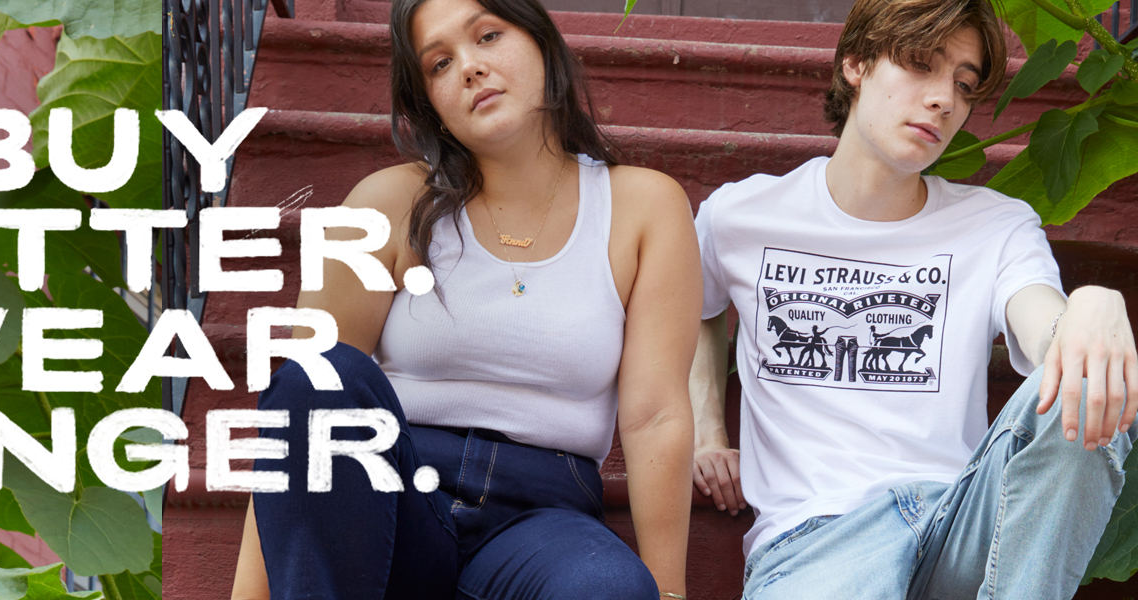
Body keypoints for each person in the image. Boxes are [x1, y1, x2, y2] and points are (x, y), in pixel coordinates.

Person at [229, 0, 701, 598]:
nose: (470, 68)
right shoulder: (386, 204)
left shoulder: (644, 206)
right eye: (440, 63)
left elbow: (655, 415)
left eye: (488, 36)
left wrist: (671, 590)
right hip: (394, 497)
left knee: (608, 587)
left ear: (541, 44)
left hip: (545, 522)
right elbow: (297, 427)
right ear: (429, 105)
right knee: (320, 376)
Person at [689, 0, 1137, 597]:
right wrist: (705, 431)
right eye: (921, 65)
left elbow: (1045, 331)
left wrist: (1091, 306)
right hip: (820, 538)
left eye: (963, 83)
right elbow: (695, 308)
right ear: (855, 61)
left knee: (1085, 382)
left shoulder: (995, 226)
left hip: (963, 524)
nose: (943, 100)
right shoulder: (741, 216)